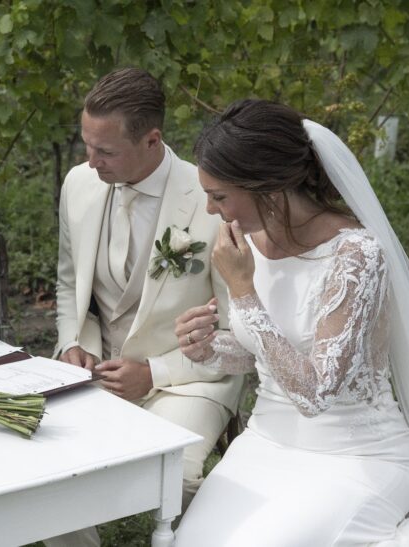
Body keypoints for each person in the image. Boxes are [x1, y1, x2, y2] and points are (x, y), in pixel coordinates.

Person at [173, 99, 409, 545]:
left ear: (267, 186)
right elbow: (269, 355)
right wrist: (211, 347)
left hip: (357, 457)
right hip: (266, 443)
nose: (211, 211)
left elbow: (315, 392)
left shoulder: (357, 255)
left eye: (219, 196)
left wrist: (243, 292)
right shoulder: (249, 242)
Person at [48, 68, 243, 547]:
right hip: (97, 376)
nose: (90, 162)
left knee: (174, 475)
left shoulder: (212, 198)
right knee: (42, 474)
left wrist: (153, 373)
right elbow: (70, 283)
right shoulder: (78, 184)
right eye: (86, 145)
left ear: (152, 139)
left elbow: (240, 329)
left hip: (190, 382)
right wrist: (75, 343)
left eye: (105, 151)